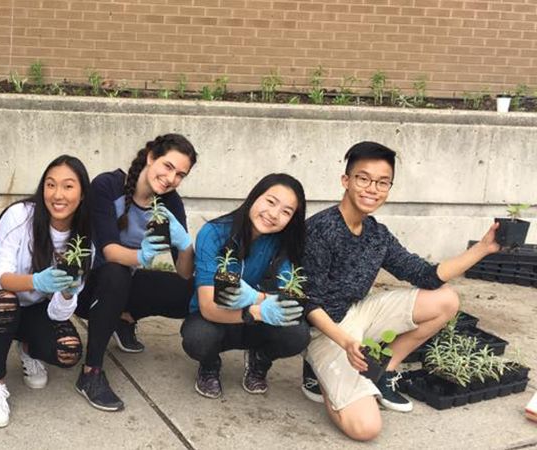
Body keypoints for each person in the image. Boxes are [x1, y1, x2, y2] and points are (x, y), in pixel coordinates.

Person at [300, 141, 501, 441]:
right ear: (346, 180)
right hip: (325, 330)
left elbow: (424, 275)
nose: (372, 189)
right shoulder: (320, 230)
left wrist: (483, 249)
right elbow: (308, 303)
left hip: (359, 312)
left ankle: (385, 372)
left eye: (382, 182)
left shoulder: (377, 234)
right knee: (366, 428)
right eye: (363, 178)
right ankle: (322, 375)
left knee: (446, 300)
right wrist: (346, 343)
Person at [77, 133, 198, 411]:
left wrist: (185, 244)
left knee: (189, 294)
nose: (171, 179)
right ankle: (90, 373)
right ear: (151, 157)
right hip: (88, 287)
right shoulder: (108, 185)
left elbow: (184, 272)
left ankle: (124, 318)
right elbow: (109, 251)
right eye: (167, 166)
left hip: (125, 282)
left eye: (180, 175)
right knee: (117, 271)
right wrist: (143, 255)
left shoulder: (171, 203)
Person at [0, 155, 93, 427]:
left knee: (68, 352)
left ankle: (26, 346)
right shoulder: (20, 216)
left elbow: (59, 314)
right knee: (5, 302)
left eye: (68, 186)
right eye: (50, 185)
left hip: (34, 310)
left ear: (83, 193)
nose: (57, 194)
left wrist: (66, 293)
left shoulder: (84, 239)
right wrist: (36, 281)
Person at [181, 173, 309, 399]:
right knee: (198, 338)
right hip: (215, 318)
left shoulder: (283, 243)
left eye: (286, 212)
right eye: (271, 201)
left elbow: (289, 298)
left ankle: (260, 358)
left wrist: (256, 299)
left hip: (258, 322)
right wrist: (259, 307)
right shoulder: (214, 233)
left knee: (297, 334)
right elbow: (208, 306)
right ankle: (209, 364)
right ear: (254, 197)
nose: (273, 214)